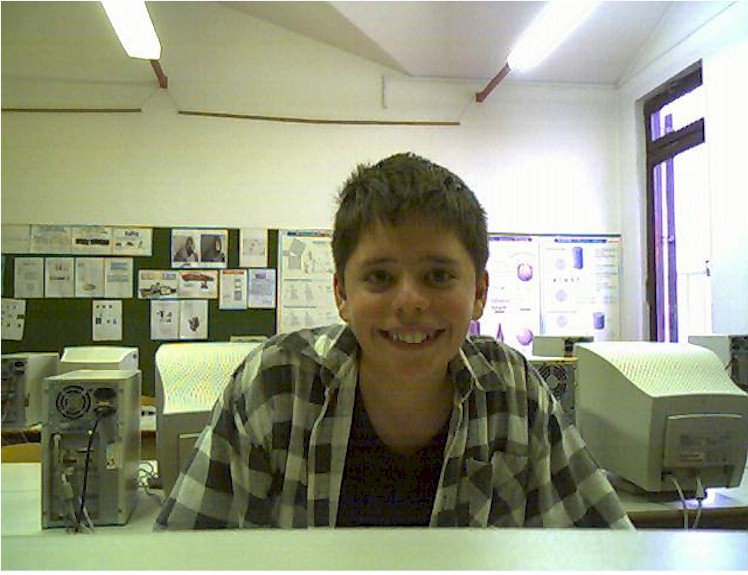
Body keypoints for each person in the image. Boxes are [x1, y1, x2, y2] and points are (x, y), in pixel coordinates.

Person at [155, 152, 633, 529]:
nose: (409, 302)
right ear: (342, 294)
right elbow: (183, 557)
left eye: (438, 275)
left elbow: (606, 551)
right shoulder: (275, 385)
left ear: (480, 293)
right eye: (380, 277)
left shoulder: (515, 394)